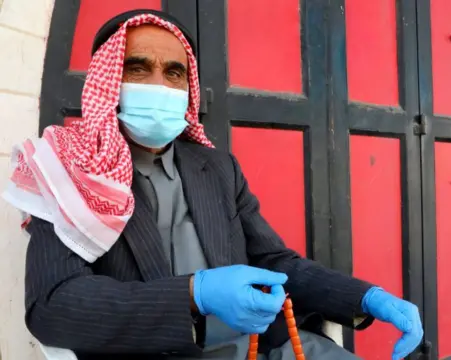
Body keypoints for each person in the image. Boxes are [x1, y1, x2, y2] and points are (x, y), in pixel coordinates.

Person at [4, 10, 423, 360]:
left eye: (173, 73)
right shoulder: (67, 170)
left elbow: (275, 261)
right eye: (137, 68)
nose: (158, 85)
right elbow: (52, 306)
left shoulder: (217, 166)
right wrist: (193, 294)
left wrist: (367, 296)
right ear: (108, 81)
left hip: (264, 348)